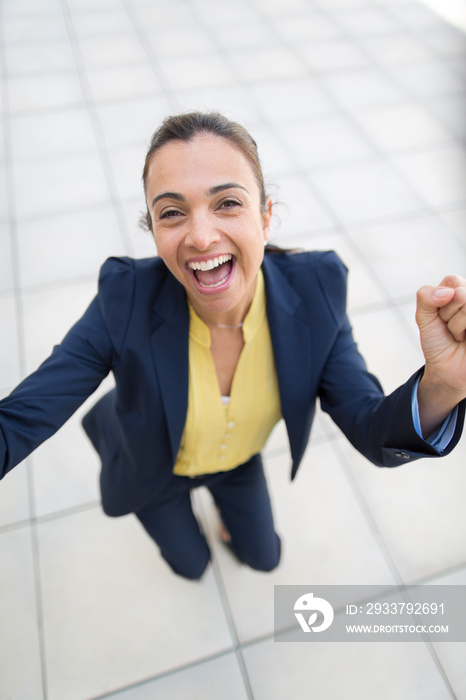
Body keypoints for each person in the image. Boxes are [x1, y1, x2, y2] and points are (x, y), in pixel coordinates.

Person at [1, 111, 465, 580]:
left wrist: (443, 383)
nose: (201, 236)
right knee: (191, 565)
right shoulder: (124, 299)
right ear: (155, 233)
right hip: (155, 474)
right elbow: (21, 418)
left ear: (266, 218)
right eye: (172, 212)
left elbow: (373, 433)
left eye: (227, 203)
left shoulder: (316, 290)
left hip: (236, 463)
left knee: (265, 558)